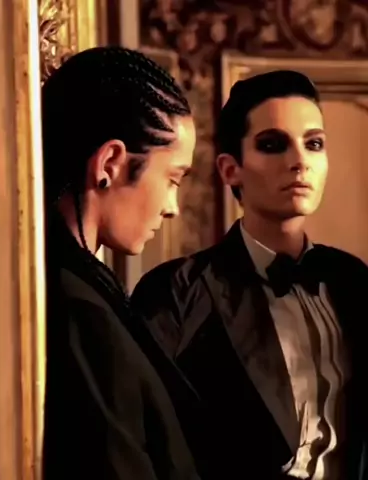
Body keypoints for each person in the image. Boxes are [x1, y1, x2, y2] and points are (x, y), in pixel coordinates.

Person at [131, 70, 368, 480]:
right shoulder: (177, 293)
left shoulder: (353, 281)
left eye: (314, 144)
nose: (299, 161)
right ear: (230, 170)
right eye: (273, 144)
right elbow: (145, 443)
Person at [41, 46, 200, 479]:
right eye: (172, 179)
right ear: (110, 163)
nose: (172, 208)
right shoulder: (81, 312)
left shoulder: (86, 292)